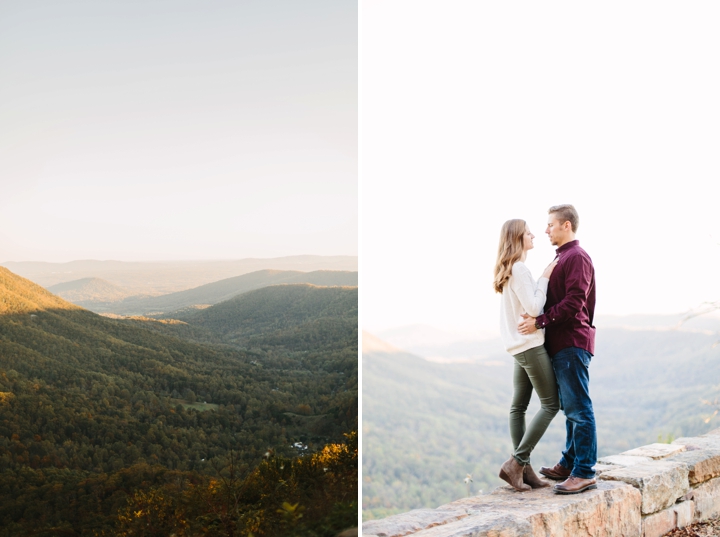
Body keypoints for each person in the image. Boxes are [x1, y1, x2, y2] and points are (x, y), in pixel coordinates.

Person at [518, 204, 597, 495]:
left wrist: (540, 321)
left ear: (566, 225)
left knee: (579, 409)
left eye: (550, 224)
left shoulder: (576, 257)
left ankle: (585, 471)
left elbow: (575, 301)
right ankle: (569, 463)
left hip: (572, 342)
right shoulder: (563, 257)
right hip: (562, 343)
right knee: (571, 409)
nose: (546, 230)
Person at [493, 219, 559, 492]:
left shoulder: (509, 270)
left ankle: (525, 471)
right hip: (530, 345)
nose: (534, 235)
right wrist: (544, 278)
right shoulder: (519, 269)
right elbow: (533, 306)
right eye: (529, 232)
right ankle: (517, 462)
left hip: (516, 346)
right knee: (550, 404)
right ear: (518, 238)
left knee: (518, 407)